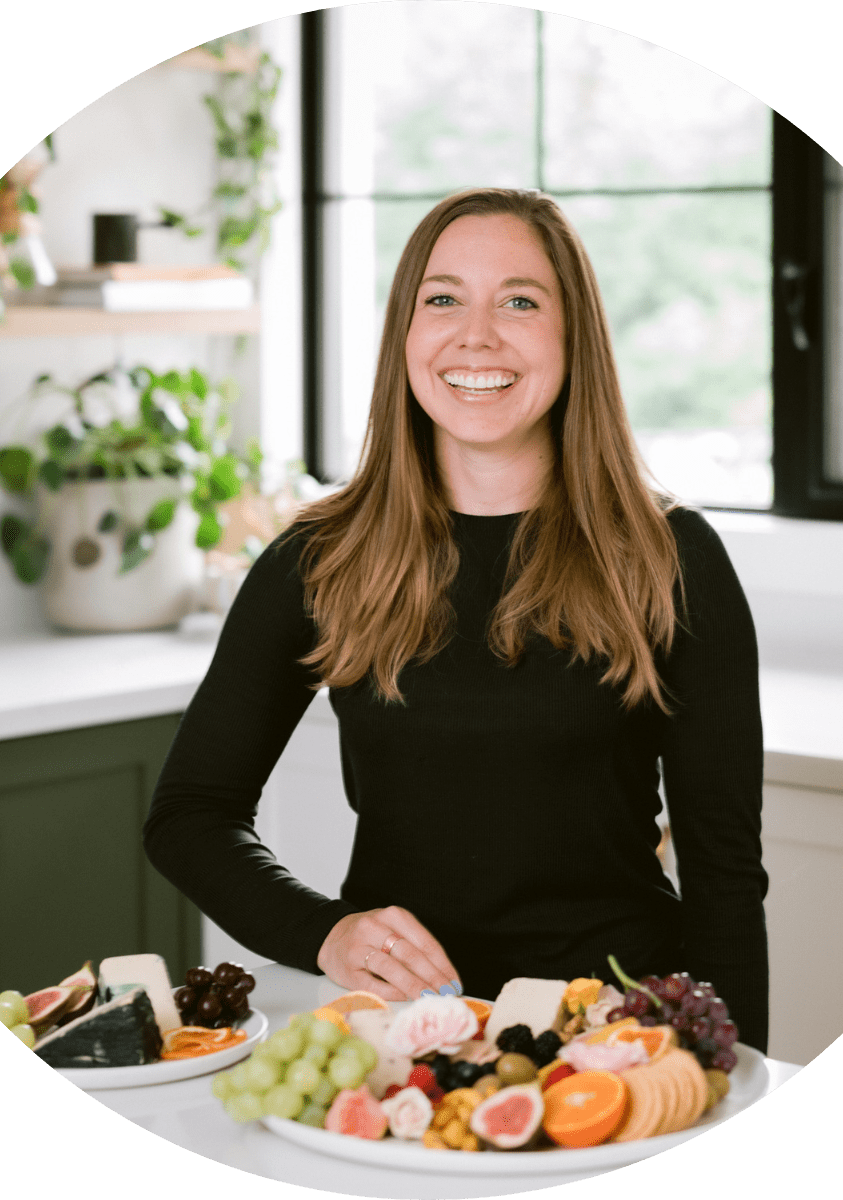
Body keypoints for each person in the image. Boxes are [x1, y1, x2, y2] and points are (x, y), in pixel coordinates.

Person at [144, 188, 769, 1052]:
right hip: (408, 1037)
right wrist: (326, 933)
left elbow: (725, 876)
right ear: (406, 334)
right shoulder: (319, 558)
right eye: (443, 300)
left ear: (572, 336)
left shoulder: (670, 557)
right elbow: (189, 814)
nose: (477, 336)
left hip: (618, 1035)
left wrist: (728, 1081)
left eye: (520, 301)